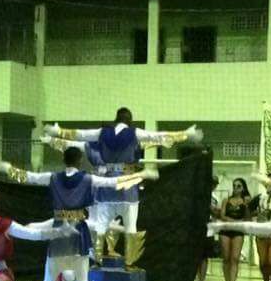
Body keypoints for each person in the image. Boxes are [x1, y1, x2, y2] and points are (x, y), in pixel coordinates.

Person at [0, 147, 157, 281]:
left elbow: (28, 177)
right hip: (78, 237)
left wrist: (7, 168)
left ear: (64, 160)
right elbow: (114, 182)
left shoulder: (52, 177)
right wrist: (141, 175)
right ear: (80, 161)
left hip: (58, 234)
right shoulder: (88, 179)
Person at [44, 108, 202, 268]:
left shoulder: (102, 133)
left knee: (100, 226)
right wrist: (186, 134)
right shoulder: (134, 133)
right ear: (130, 121)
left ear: (116, 119)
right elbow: (159, 137)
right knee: (130, 227)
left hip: (106, 188)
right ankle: (129, 262)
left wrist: (57, 131)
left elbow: (80, 135)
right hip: (128, 188)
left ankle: (97, 260)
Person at [217, 178, 252, 281]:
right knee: (226, 257)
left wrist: (247, 205)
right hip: (225, 230)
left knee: (235, 258)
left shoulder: (245, 202)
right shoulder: (226, 200)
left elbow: (248, 218)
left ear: (243, 188)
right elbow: (222, 215)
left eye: (239, 186)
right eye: (234, 185)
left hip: (238, 231)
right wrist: (234, 221)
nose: (236, 188)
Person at [195, 176, 221, 281]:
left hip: (209, 226)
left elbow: (216, 213)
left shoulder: (215, 198)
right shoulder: (199, 195)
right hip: (198, 225)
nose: (213, 186)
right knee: (197, 254)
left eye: (214, 184)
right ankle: (196, 279)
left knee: (205, 255)